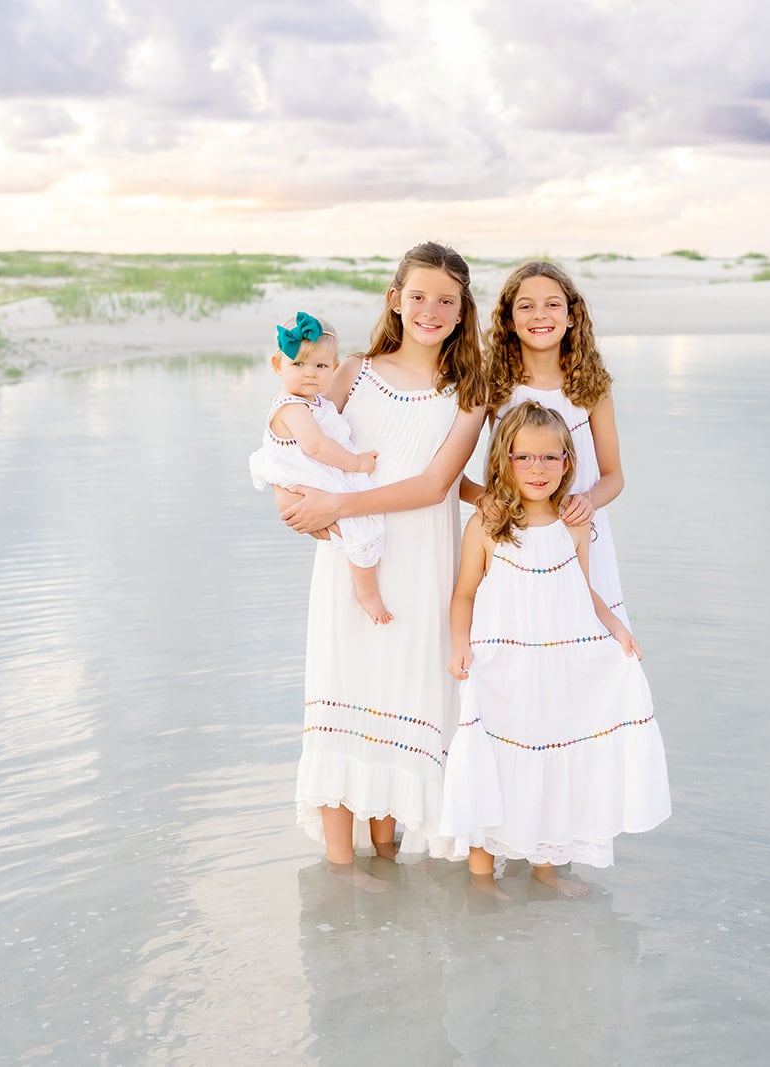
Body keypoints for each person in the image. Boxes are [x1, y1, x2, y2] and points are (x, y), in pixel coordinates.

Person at [278, 241, 489, 870]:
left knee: (405, 698)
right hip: (349, 565)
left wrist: (334, 506)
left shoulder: (470, 391)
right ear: (395, 299)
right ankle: (342, 876)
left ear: (461, 310)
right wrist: (294, 506)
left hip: (423, 563)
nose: (430, 309)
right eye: (418, 295)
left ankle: (387, 856)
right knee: (343, 695)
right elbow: (298, 448)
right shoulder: (351, 373)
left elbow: (434, 486)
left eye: (445, 300)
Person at [440, 401, 670, 897]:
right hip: (501, 666)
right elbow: (463, 593)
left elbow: (582, 589)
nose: (537, 469)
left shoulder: (573, 523)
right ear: (502, 460)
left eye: (549, 458)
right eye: (523, 458)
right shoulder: (487, 524)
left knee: (553, 751)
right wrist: (460, 644)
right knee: (495, 758)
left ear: (568, 462)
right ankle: (482, 880)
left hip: (559, 664)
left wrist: (617, 630)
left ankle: (546, 870)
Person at [485, 261, 630, 624]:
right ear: (508, 320)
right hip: (513, 534)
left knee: (589, 639)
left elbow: (614, 475)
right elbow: (455, 472)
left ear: (571, 316)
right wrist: (486, 501)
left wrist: (588, 501)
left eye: (552, 304)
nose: (540, 315)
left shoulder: (591, 387)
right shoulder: (493, 386)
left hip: (579, 535)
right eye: (525, 305)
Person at [250, 311, 391, 625]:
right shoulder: (292, 407)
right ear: (278, 365)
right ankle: (367, 592)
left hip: (319, 473)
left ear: (334, 369)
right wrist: (356, 463)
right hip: (308, 476)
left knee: (364, 521)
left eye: (320, 366)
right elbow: (315, 446)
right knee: (362, 528)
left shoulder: (317, 403)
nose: (309, 374)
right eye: (297, 364)